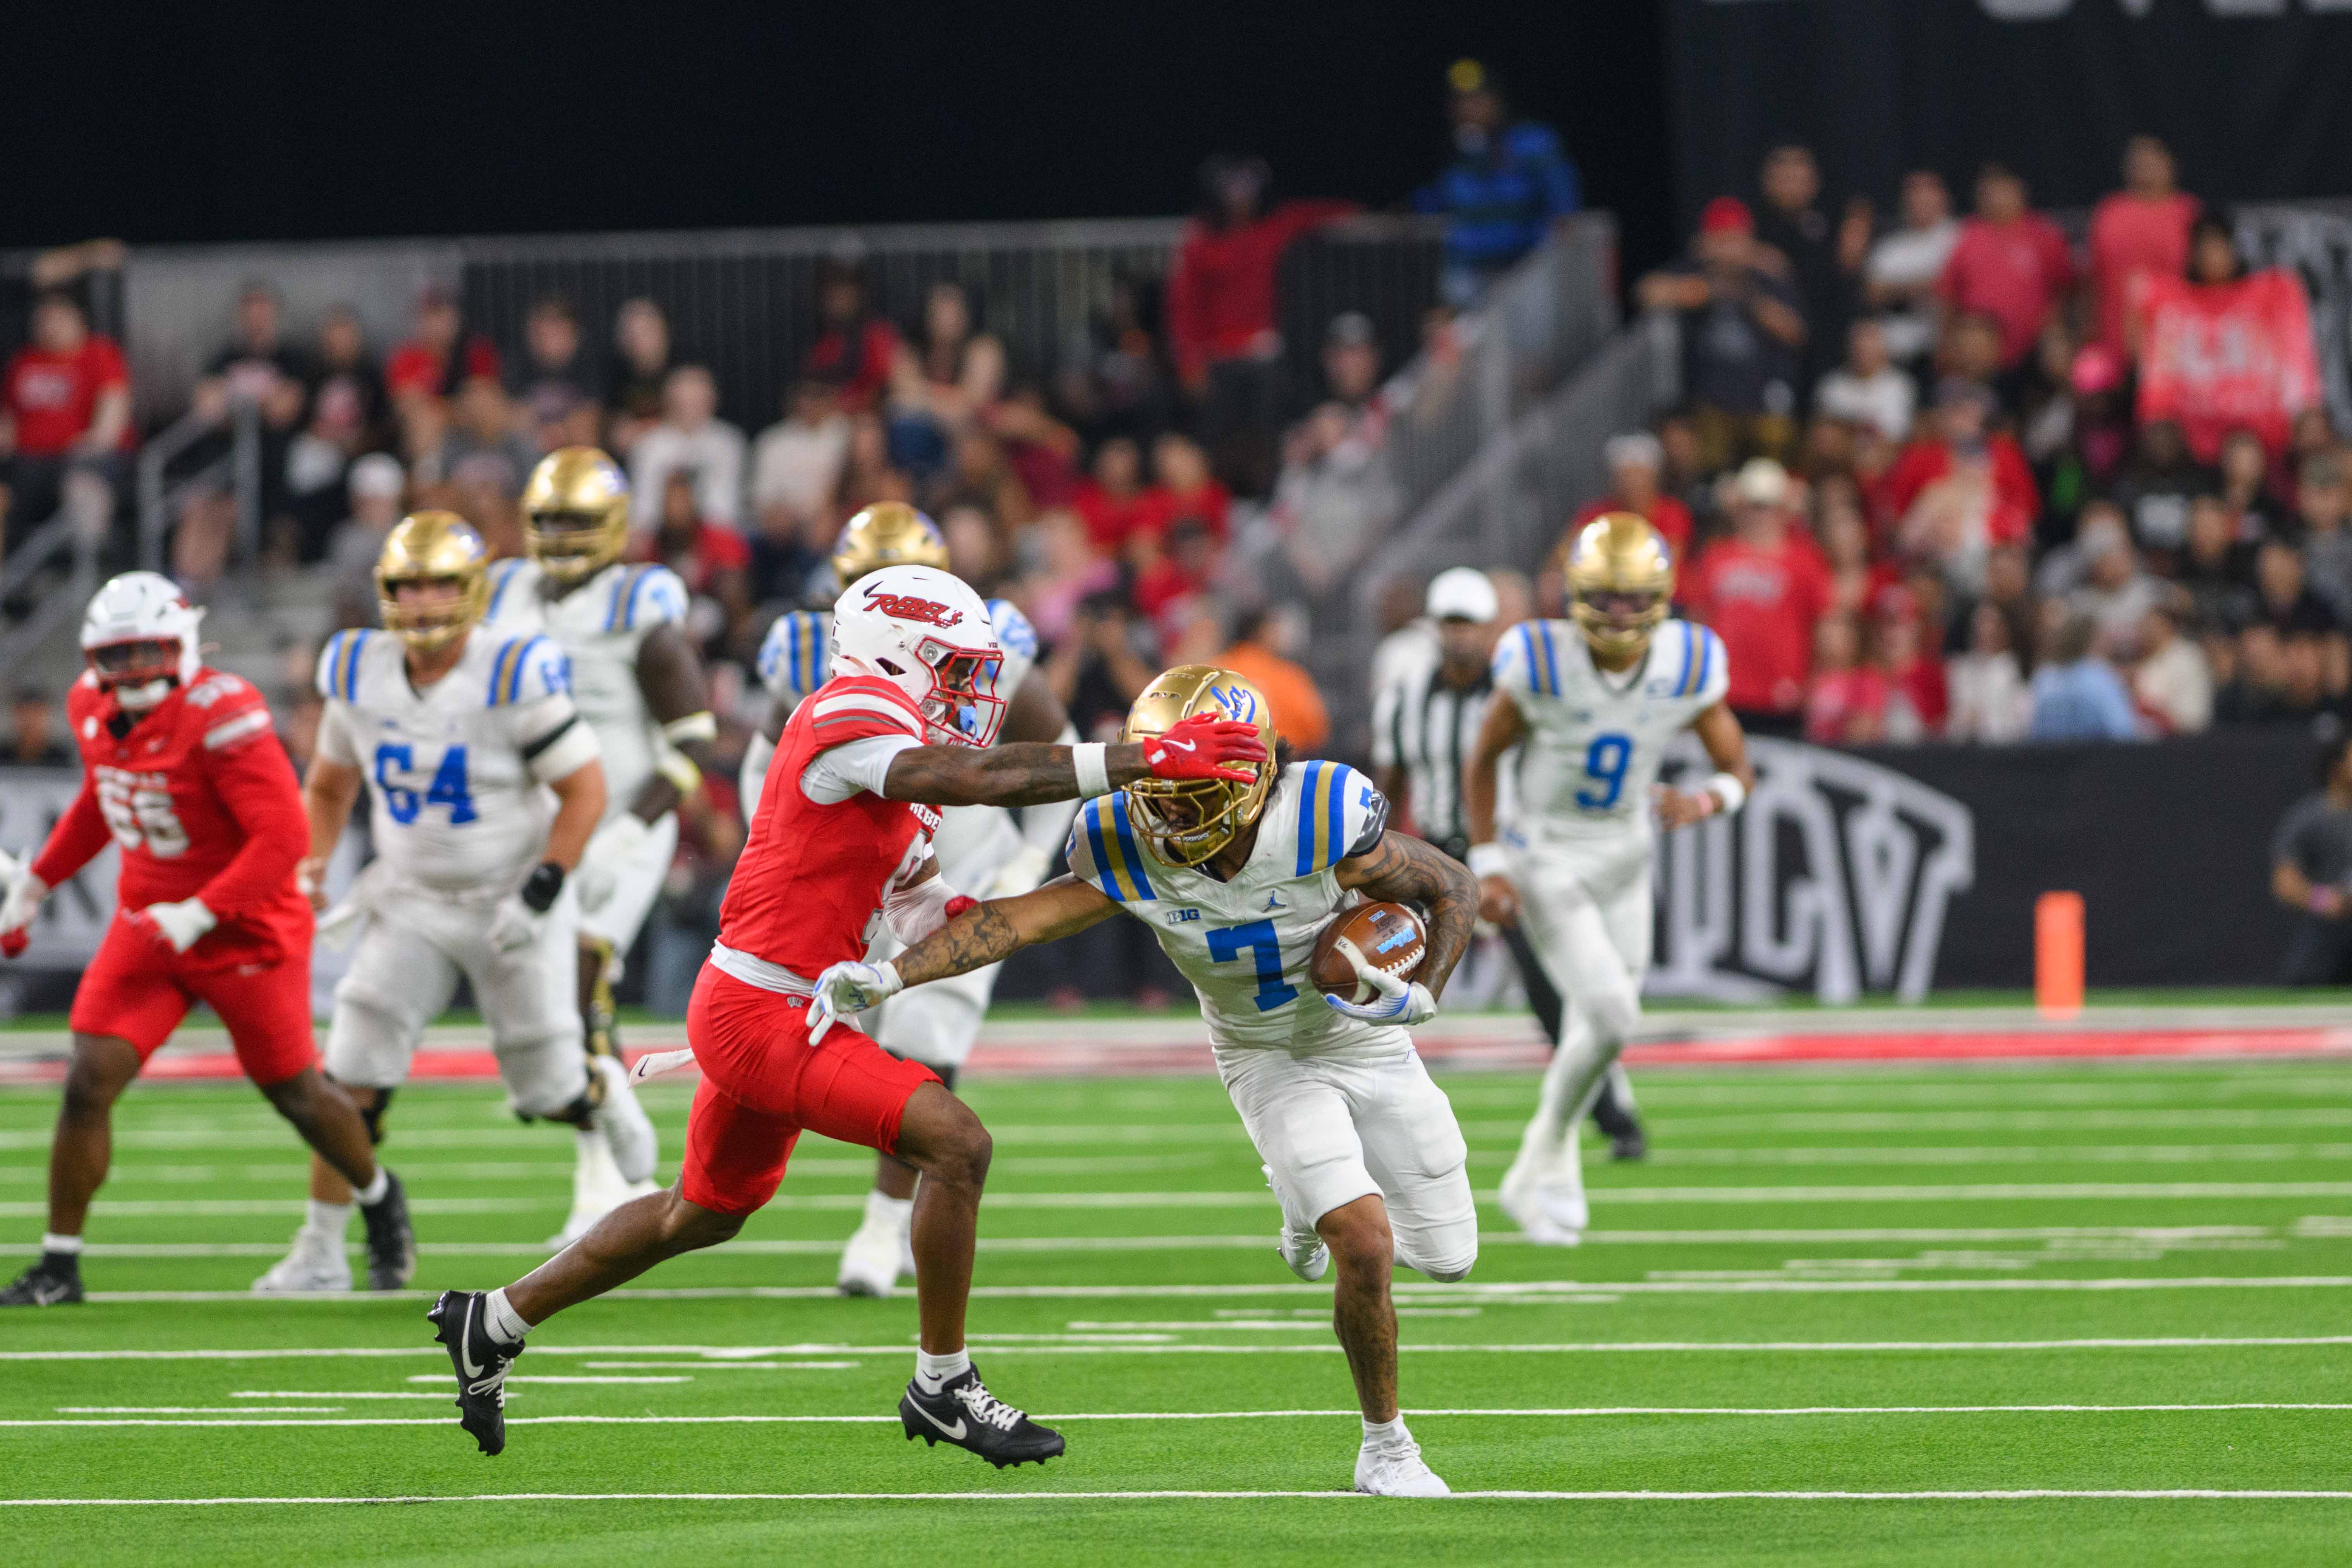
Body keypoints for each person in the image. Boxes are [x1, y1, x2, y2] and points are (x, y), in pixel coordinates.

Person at [424, 567, 1267, 1470]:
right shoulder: (849, 711)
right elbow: (977, 773)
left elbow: (932, 918)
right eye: (950, 668)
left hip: (777, 1002)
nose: (970, 691)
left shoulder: (901, 768)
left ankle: (495, 1317)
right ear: (895, 654)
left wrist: (1088, 892)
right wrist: (1137, 757)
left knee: (699, 1215)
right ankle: (942, 1383)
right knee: (956, 1142)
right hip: (760, 1010)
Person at [808, 664, 1478, 1494]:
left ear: (1250, 777)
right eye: (1157, 783)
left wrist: (1424, 992)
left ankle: (1301, 1200)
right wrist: (889, 976)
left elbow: (1451, 883)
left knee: (1449, 1258)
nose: (1165, 810)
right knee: (1365, 1242)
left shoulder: (1322, 814)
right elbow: (1014, 920)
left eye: (1190, 792)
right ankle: (1387, 1446)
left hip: (1366, 1042)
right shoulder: (1124, 839)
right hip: (1263, 1056)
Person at [252, 513, 656, 1291]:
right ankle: (321, 1245)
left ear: (472, 589)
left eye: (440, 581)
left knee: (547, 1088)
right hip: (410, 899)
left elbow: (585, 787)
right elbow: (332, 781)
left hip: (513, 900)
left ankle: (598, 1089)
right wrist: (313, 861)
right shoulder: (359, 670)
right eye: (408, 583)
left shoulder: (509, 669)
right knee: (351, 1067)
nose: (423, 598)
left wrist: (543, 888)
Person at [0, 574, 412, 1305]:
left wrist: (202, 909)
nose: (133, 671)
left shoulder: (226, 714)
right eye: (118, 656)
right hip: (149, 925)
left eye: (148, 651)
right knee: (88, 1077)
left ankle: (379, 1196)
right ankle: (59, 1262)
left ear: (184, 643)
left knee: (295, 1092)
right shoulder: (90, 707)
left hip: (246, 924)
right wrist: (37, 884)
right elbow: (105, 797)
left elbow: (283, 836)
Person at [740, 504, 1082, 1297]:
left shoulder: (990, 639)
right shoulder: (805, 647)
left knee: (921, 1043)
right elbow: (766, 759)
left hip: (954, 867)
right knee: (835, 1037)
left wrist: (1029, 856)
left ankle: (883, 1222)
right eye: (869, 589)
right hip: (860, 874)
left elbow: (1039, 753)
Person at [1463, 514, 1754, 1247]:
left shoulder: (1686, 661)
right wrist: (1489, 859)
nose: (1619, 614)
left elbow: (1736, 768)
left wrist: (1705, 799)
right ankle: (1541, 1158)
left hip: (1627, 854)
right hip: (1547, 852)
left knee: (1600, 1029)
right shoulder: (1538, 657)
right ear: (1575, 592)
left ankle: (1543, 1164)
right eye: (1606, 596)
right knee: (1612, 1014)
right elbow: (1483, 756)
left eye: (1633, 599)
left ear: (1657, 596)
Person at [486, 449, 726, 1244]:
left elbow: (691, 737)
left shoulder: (640, 604)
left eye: (577, 522)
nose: (559, 536)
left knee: (584, 976)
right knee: (548, 993)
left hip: (624, 822)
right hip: (544, 824)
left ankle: (612, 1171)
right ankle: (611, 1156)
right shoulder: (504, 590)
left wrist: (636, 823)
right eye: (549, 520)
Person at [1370, 567, 1646, 1158]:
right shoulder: (1405, 696)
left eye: (1470, 623)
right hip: (1435, 853)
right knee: (1368, 962)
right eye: (1451, 623)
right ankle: (1357, 1104)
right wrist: (1373, 860)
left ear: (1489, 627)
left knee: (1550, 986)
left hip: (1506, 850)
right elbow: (1389, 783)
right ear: (1435, 627)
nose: (1461, 635)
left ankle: (1613, 1113)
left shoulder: (1518, 690)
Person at [1638, 198, 1806, 472]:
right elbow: (1646, 292)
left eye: (1735, 241)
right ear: (1706, 243)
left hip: (1761, 398)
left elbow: (1796, 332)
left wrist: (1751, 299)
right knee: (1699, 452)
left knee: (1774, 442)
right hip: (1709, 400)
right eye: (1721, 241)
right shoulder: (1697, 272)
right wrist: (1704, 291)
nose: (1729, 250)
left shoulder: (1766, 275)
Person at [1413, 58, 1582, 305]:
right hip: (1471, 271)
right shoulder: (1452, 154)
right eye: (1461, 102)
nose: (1469, 109)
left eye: (1477, 99)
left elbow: (1564, 203)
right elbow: (1431, 205)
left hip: (1524, 267)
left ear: (1496, 101)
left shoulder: (1532, 143)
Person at [1680, 459, 1830, 735]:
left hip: (1783, 697)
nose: (1760, 515)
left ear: (1783, 509)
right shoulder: (1716, 556)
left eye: (1768, 506)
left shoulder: (1806, 559)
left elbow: (1822, 628)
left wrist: (1813, 687)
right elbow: (1697, 626)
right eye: (1753, 505)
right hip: (1723, 695)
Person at [0, 290, 131, 547]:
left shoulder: (99, 354)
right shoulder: (24, 362)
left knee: (82, 486)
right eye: (44, 319)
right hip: (26, 465)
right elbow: (8, 423)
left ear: (78, 318)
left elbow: (111, 420)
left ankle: (86, 569)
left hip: (79, 461)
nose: (49, 326)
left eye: (57, 317)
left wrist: (87, 444)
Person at [1938, 165, 2076, 376]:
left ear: (2020, 193)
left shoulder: (2043, 235)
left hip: (2034, 348)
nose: (1997, 199)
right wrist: (1945, 344)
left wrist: (2055, 330)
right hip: (1982, 355)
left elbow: (2066, 288)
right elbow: (1949, 295)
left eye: (2003, 191)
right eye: (1991, 193)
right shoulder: (1969, 236)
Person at [2090, 135, 2198, 357]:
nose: (2146, 166)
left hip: (2178, 343)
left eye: (2153, 159)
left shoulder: (2189, 213)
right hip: (2116, 343)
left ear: (2171, 164)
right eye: (2138, 160)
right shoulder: (2110, 213)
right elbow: (2093, 280)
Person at [2271, 732, 2352, 984]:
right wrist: (2325, 900)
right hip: (2325, 944)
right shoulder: (2308, 819)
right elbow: (2284, 881)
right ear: (2337, 766)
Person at [1864, 170, 1961, 368]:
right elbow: (1872, 293)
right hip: (1896, 349)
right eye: (1914, 195)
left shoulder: (1959, 236)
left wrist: (1898, 288)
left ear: (1943, 199)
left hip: (1947, 345)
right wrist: (1926, 285)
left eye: (1928, 195)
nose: (1920, 201)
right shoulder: (1890, 246)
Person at [629, 366, 745, 529]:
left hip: (716, 537)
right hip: (661, 539)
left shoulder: (728, 442)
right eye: (685, 400)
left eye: (698, 400)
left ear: (712, 400)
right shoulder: (648, 445)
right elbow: (643, 510)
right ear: (670, 401)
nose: (691, 407)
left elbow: (725, 508)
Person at [1218, 603, 1331, 754]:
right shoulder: (1287, 675)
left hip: (1225, 765)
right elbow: (1316, 729)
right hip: (1277, 765)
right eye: (1275, 628)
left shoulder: (1215, 671)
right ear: (1261, 632)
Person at [1571, 431, 1694, 560]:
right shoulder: (1596, 515)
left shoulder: (1673, 513)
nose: (1631, 484)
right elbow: (1564, 554)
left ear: (1654, 478)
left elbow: (1666, 563)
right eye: (1625, 476)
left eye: (1639, 475)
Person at [2027, 611, 2140, 741]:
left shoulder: (2044, 676)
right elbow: (2123, 731)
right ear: (2095, 640)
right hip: (2097, 758)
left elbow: (2034, 731)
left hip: (2050, 759)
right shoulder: (2100, 677)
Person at [1814, 318, 1914, 443]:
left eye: (1870, 342)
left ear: (1883, 349)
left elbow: (1896, 436)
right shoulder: (1832, 385)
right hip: (1841, 454)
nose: (1864, 349)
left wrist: (1850, 426)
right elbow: (1825, 429)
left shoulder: (1900, 386)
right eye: (1859, 344)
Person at [3, 685, 70, 767]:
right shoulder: (3, 756)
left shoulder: (60, 758)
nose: (31, 722)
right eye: (25, 715)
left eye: (36, 715)